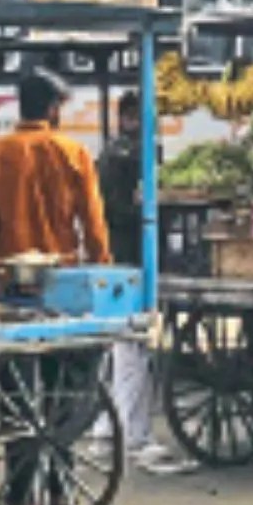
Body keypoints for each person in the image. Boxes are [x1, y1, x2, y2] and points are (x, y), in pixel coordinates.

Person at [95, 93, 181, 471]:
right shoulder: (124, 155)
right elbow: (120, 209)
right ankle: (134, 435)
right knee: (133, 350)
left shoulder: (117, 152)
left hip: (119, 260)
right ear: (131, 117)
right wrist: (154, 205)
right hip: (130, 260)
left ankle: (105, 430)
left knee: (119, 349)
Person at [0, 70, 111, 267]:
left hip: (12, 268)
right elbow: (92, 218)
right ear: (53, 109)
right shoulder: (74, 152)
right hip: (63, 268)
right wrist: (101, 262)